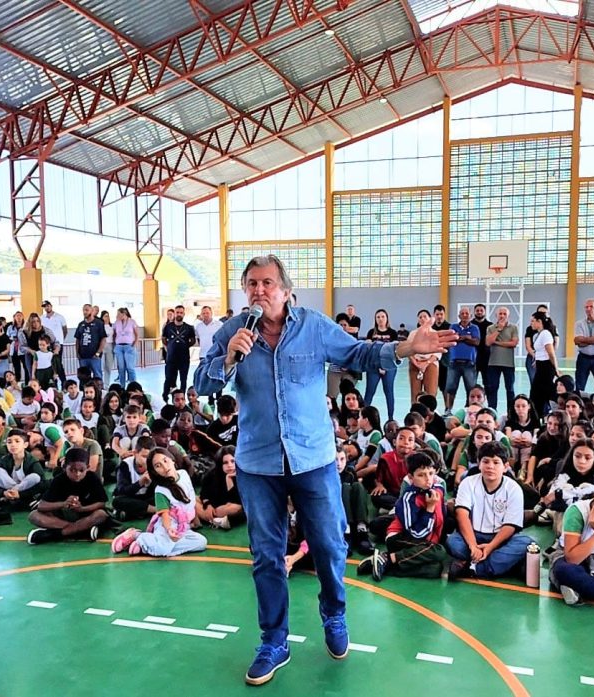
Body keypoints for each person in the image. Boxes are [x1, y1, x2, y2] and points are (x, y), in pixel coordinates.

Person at [193, 254, 455, 686]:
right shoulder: (231, 333)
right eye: (252, 284)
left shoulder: (313, 326)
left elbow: (359, 353)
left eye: (268, 283)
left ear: (286, 290)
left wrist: (407, 347)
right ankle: (274, 641)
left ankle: (334, 615)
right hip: (258, 464)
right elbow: (202, 383)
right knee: (266, 557)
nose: (260, 291)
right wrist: (228, 359)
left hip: (312, 459)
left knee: (331, 546)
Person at [446, 441, 531, 579]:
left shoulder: (514, 488)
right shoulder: (468, 483)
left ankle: (473, 568)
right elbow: (462, 515)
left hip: (501, 538)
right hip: (472, 536)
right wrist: (473, 546)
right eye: (486, 461)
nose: (490, 466)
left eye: (496, 462)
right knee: (453, 542)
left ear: (505, 467)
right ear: (479, 464)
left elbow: (510, 526)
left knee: (525, 543)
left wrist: (490, 546)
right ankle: (503, 565)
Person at [360, 451, 448, 581]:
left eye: (431, 473)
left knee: (434, 570)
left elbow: (441, 516)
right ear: (411, 478)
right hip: (399, 538)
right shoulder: (408, 498)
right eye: (421, 475)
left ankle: (382, 562)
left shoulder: (438, 489)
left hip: (423, 540)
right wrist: (429, 509)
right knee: (439, 551)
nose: (428, 479)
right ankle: (388, 558)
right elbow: (416, 533)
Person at [109, 447, 208, 557]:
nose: (165, 467)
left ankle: (146, 546)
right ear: (154, 472)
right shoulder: (161, 491)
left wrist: (195, 519)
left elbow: (191, 497)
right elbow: (164, 514)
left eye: (165, 461)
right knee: (162, 549)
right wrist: (169, 530)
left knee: (201, 542)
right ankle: (138, 536)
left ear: (172, 460)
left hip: (182, 525)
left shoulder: (184, 474)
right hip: (167, 526)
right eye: (158, 466)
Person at [26, 447, 109, 544]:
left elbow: (101, 503)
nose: (77, 474)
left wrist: (82, 508)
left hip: (86, 515)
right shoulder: (59, 480)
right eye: (72, 470)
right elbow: (41, 506)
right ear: (65, 467)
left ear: (88, 467)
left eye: (82, 470)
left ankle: (55, 534)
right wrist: (63, 504)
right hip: (64, 517)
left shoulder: (92, 478)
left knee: (101, 514)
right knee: (34, 515)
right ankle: (81, 531)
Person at [363, 309, 399, 422]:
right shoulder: (371, 333)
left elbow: (395, 351)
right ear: (375, 319)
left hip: (389, 367)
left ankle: (390, 418)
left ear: (387, 318)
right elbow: (367, 350)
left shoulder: (393, 333)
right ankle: (363, 416)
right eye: (378, 317)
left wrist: (384, 366)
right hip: (373, 366)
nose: (380, 319)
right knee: (369, 391)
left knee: (389, 391)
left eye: (383, 316)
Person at [443, 307, 480, 414]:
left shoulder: (475, 328)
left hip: (469, 363)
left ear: (470, 316)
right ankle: (448, 409)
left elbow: (476, 342)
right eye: (462, 313)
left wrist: (460, 337)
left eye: (467, 313)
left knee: (470, 388)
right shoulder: (453, 326)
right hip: (453, 363)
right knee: (450, 387)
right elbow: (451, 339)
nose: (464, 315)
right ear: (459, 316)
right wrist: (467, 337)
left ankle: (470, 410)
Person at [484, 306, 518, 414]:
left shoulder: (513, 327)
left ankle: (511, 412)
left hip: (509, 363)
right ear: (496, 315)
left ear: (508, 316)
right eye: (500, 314)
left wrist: (497, 343)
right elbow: (488, 342)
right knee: (493, 388)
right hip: (493, 363)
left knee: (510, 389)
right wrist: (499, 329)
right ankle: (492, 411)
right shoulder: (490, 328)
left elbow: (514, 343)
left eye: (504, 314)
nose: (502, 316)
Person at [162, 304, 196, 402]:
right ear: (174, 313)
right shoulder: (168, 327)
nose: (179, 314)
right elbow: (164, 339)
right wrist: (170, 346)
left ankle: (182, 397)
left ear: (184, 314)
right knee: (169, 378)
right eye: (177, 312)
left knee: (183, 379)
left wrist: (185, 346)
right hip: (171, 358)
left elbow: (192, 340)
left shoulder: (189, 328)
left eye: (181, 312)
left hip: (184, 358)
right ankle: (165, 396)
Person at [528, 312, 559, 417]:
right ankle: (538, 416)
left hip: (546, 368)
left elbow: (551, 353)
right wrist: (536, 360)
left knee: (540, 394)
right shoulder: (539, 334)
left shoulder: (545, 334)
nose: (531, 323)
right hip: (541, 367)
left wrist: (556, 369)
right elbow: (540, 351)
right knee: (537, 395)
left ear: (539, 322)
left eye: (533, 321)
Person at [408, 309, 440, 401]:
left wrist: (426, 363)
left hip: (430, 364)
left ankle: (429, 413)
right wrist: (416, 363)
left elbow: (437, 353)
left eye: (425, 316)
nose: (422, 319)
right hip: (415, 364)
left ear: (429, 319)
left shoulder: (435, 333)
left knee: (430, 393)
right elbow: (409, 350)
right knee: (415, 393)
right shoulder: (413, 334)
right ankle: (415, 413)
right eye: (420, 317)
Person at [74, 304, 106, 382]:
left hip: (94, 356)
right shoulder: (81, 324)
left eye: (87, 310)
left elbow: (103, 339)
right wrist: (77, 352)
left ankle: (99, 391)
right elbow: (77, 339)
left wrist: (98, 352)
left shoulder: (99, 323)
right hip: (83, 356)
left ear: (92, 311)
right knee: (83, 377)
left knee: (97, 375)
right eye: (83, 310)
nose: (84, 312)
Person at [41, 301, 68, 388]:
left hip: (58, 344)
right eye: (45, 306)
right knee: (50, 364)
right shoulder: (42, 318)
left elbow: (65, 330)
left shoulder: (60, 317)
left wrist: (60, 340)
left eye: (48, 306)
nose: (46, 308)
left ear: (51, 306)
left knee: (58, 363)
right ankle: (54, 384)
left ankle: (64, 383)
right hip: (47, 344)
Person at [110, 307, 139, 388]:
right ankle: (122, 386)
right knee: (121, 368)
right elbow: (114, 334)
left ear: (124, 314)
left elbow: (137, 334)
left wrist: (134, 344)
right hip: (119, 347)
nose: (117, 315)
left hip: (129, 346)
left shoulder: (132, 322)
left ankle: (133, 386)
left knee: (130, 368)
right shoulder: (116, 322)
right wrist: (114, 343)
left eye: (118, 314)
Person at [100, 310, 116, 386]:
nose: (107, 318)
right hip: (102, 346)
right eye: (105, 316)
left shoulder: (112, 326)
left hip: (110, 346)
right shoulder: (100, 326)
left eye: (108, 316)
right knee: (101, 366)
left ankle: (106, 384)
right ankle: (100, 383)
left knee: (108, 366)